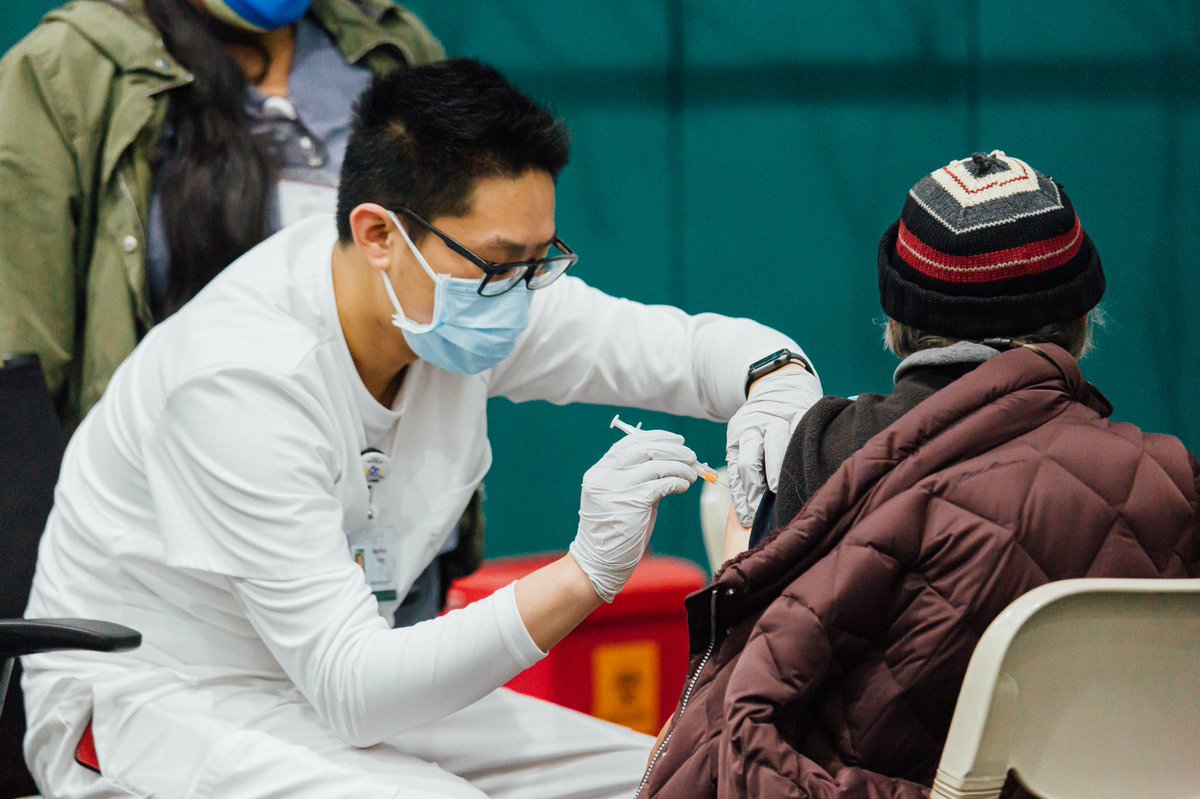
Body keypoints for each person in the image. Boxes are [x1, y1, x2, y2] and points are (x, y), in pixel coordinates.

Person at [22, 59, 823, 797]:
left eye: (540, 260)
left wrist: (778, 384)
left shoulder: (461, 293)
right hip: (153, 702)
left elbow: (687, 352)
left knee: (672, 777)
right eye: (503, 262)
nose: (524, 292)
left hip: (327, 684)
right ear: (379, 234)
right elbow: (355, 687)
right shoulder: (244, 379)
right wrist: (584, 573)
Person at [638, 151, 1200, 798]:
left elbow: (746, 698)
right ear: (1078, 321)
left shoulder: (824, 450)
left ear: (900, 320)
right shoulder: (1172, 483)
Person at [0, 0, 444, 435]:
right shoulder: (66, 66)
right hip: (178, 453)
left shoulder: (391, 46)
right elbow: (21, 341)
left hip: (377, 449)